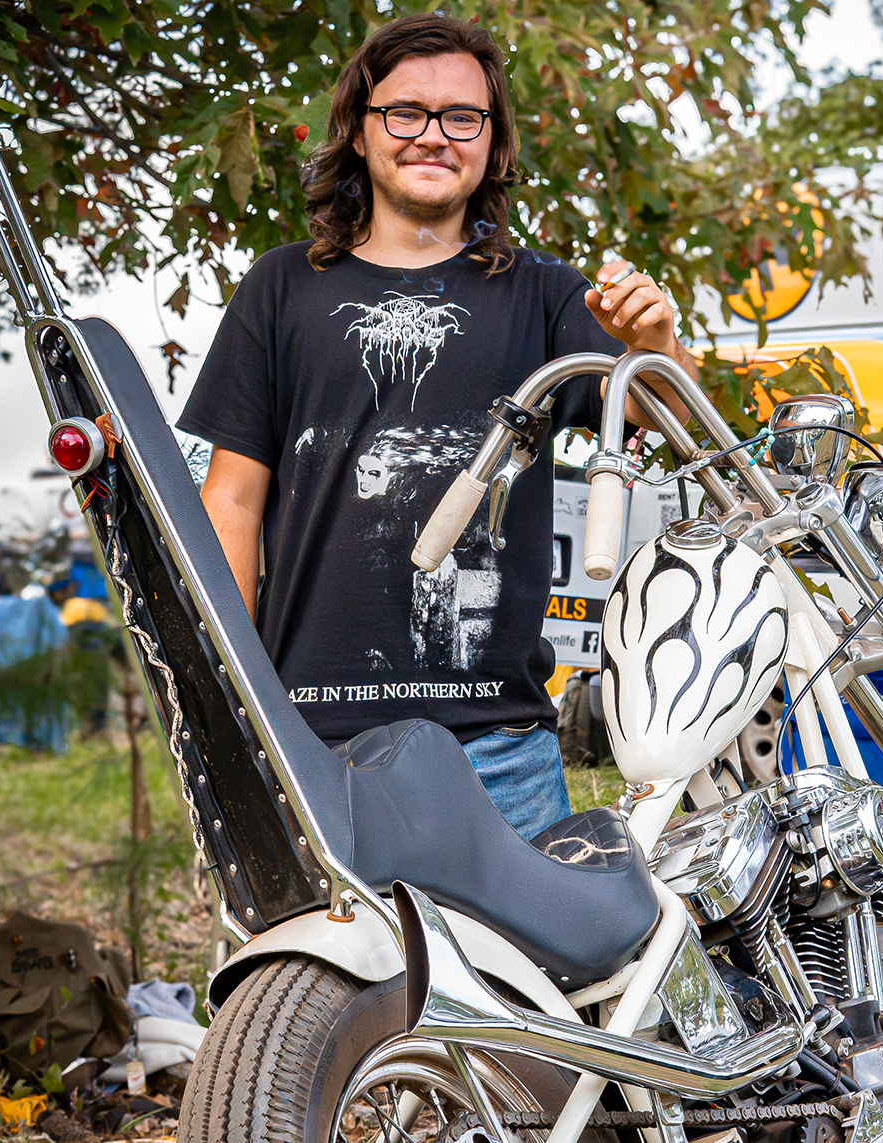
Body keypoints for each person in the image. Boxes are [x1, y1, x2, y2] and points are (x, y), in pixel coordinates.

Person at [178, 13, 694, 840]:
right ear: (359, 129)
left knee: (535, 972)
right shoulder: (280, 288)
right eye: (405, 113)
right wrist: (227, 699)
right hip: (312, 740)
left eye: (462, 117)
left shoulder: (546, 294)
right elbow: (230, 504)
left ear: (491, 142)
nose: (433, 136)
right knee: (325, 972)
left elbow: (665, 414)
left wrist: (657, 344)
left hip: (500, 749)